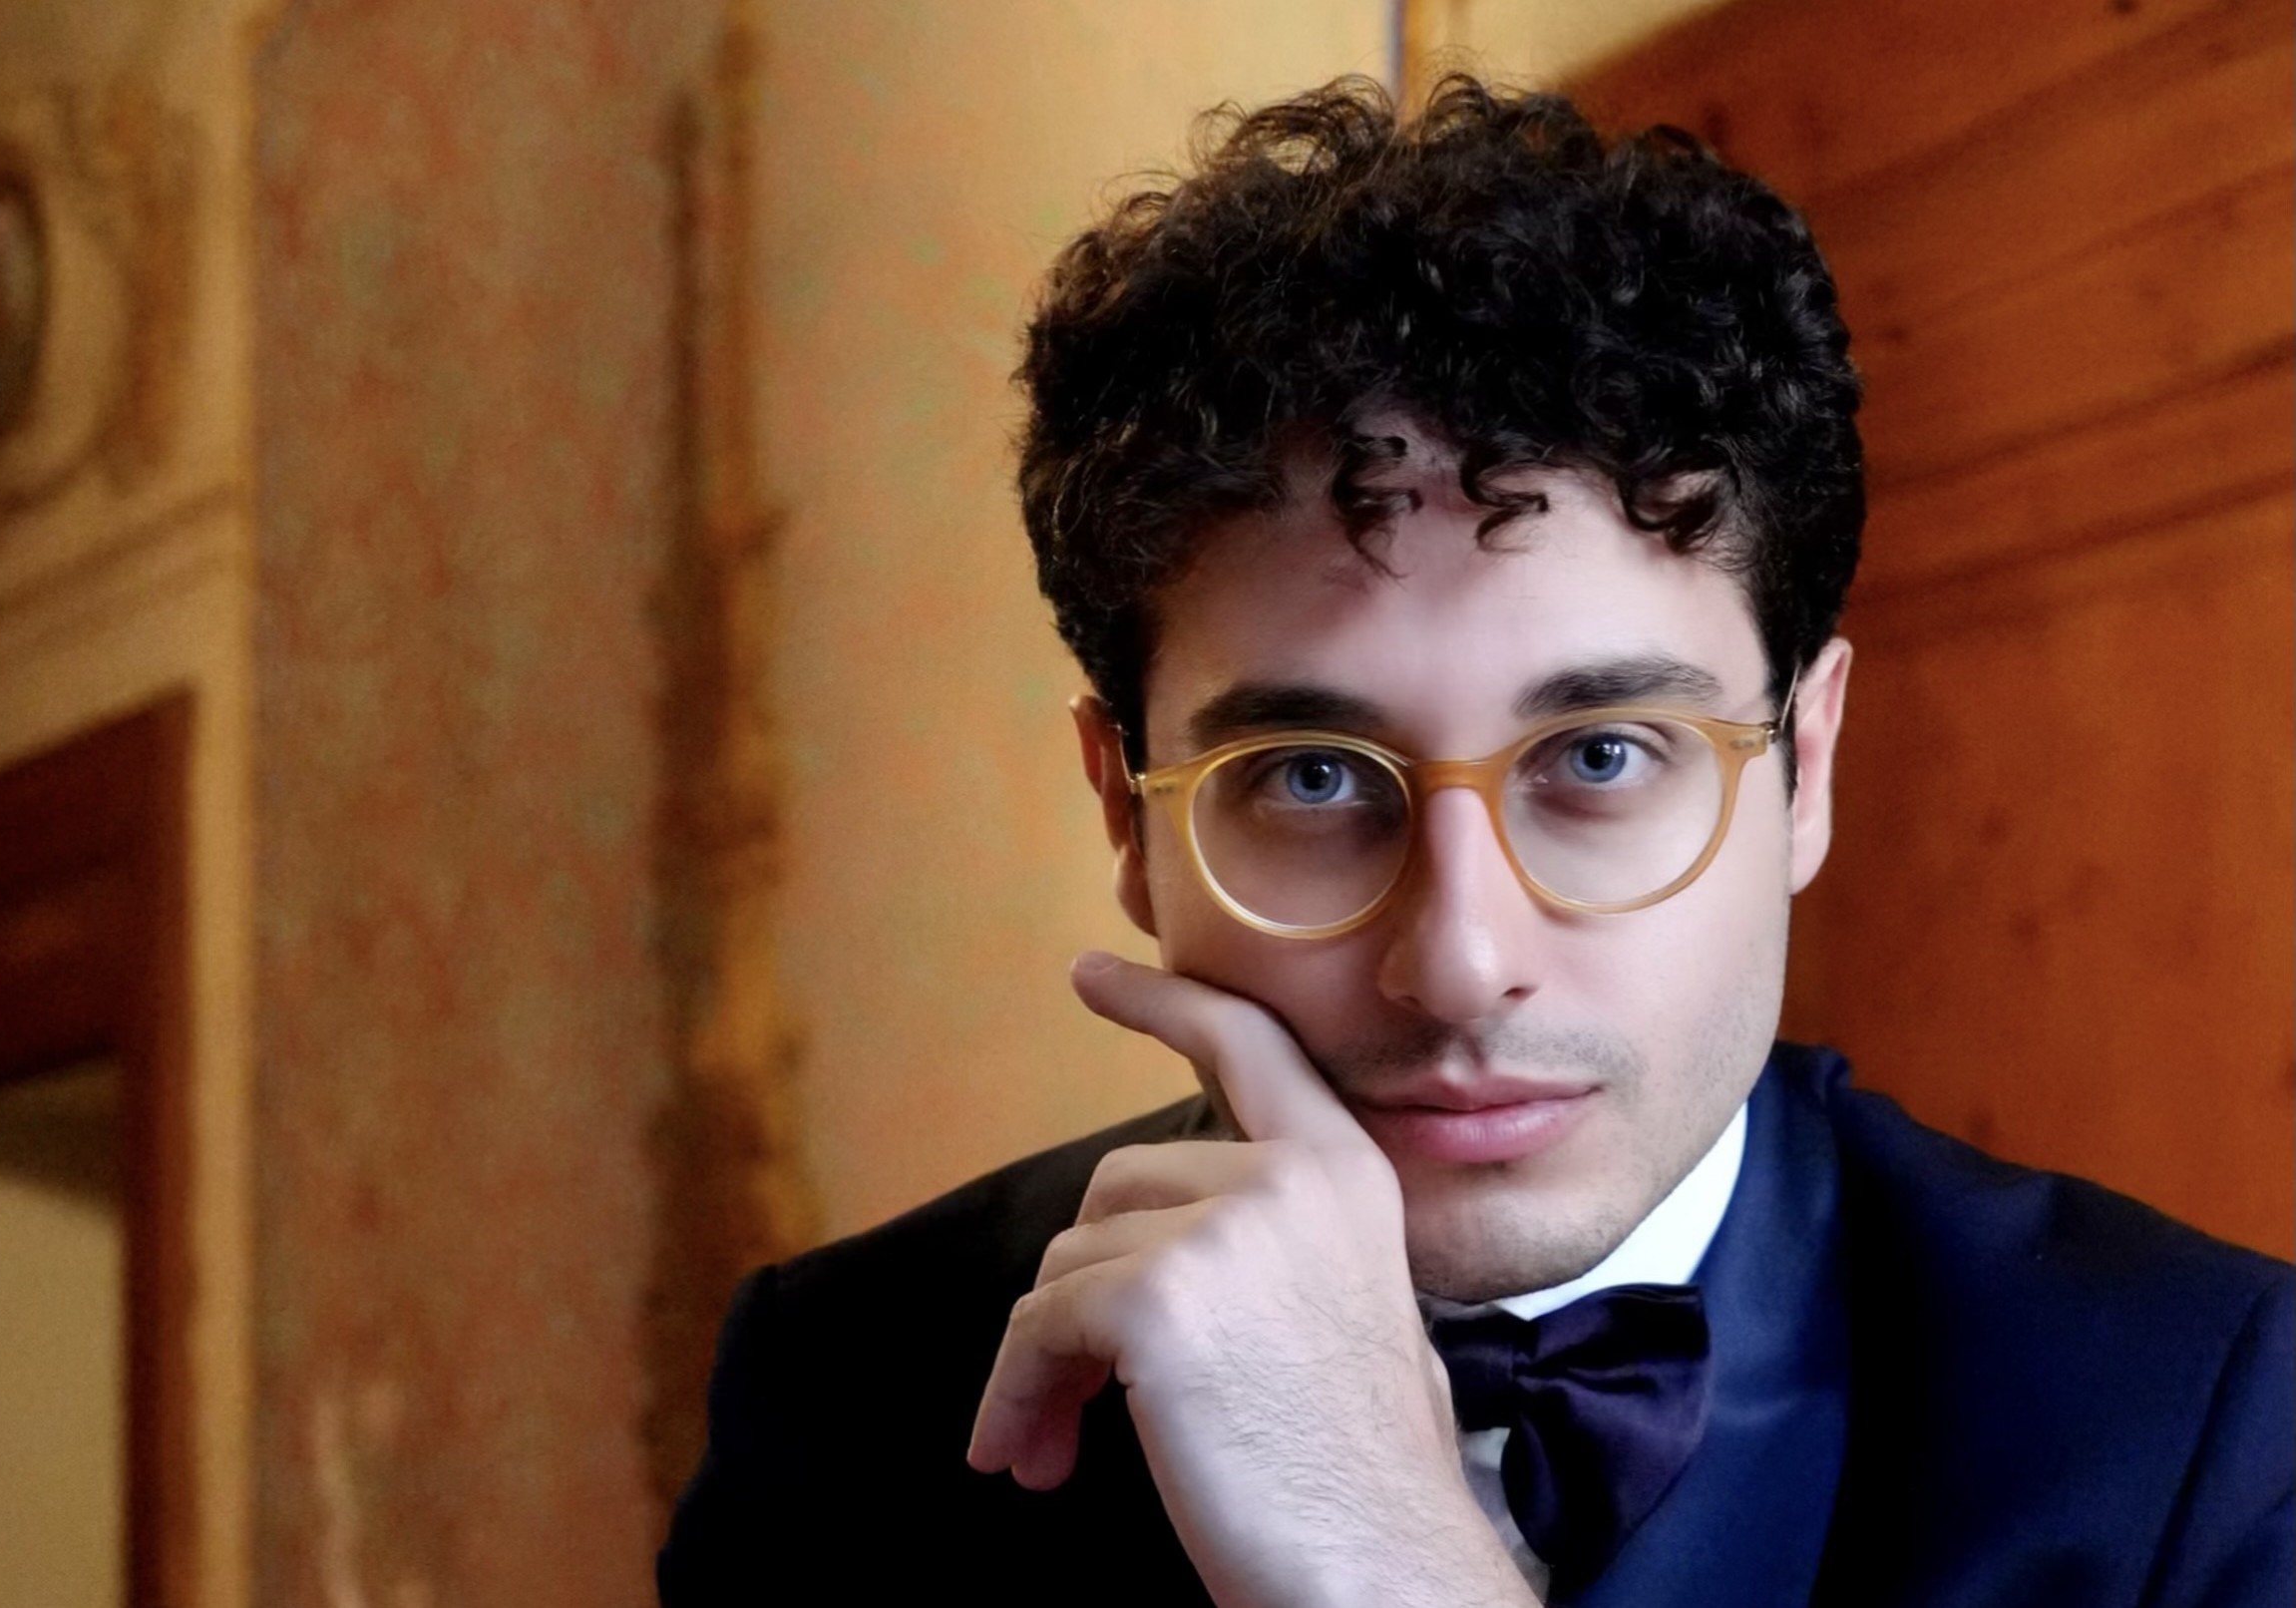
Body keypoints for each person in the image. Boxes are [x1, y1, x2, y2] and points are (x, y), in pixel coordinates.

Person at [655, 76, 2294, 1607]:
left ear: (1804, 772)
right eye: (1309, 778)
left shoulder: (2206, 1429)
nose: (1457, 961)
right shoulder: (842, 1393)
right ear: (1125, 813)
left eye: (1596, 755)